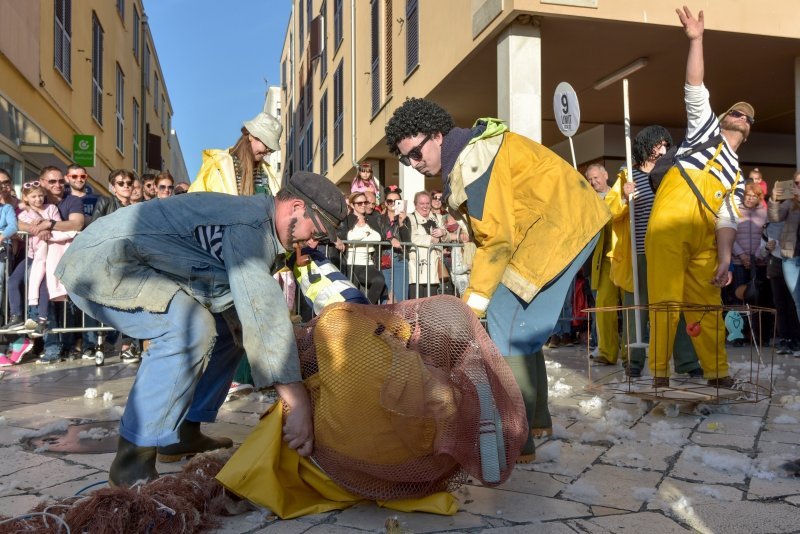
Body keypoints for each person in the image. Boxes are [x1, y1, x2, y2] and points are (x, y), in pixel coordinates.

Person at [55, 171, 347, 486]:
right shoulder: (251, 226)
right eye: (316, 232)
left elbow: (247, 314)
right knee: (189, 328)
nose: (314, 243)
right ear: (295, 207)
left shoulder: (260, 223)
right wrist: (298, 401)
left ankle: (182, 431)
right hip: (102, 264)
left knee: (228, 331)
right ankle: (131, 462)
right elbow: (263, 310)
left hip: (130, 261)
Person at [385, 98, 609, 461]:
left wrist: (472, 304)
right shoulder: (471, 154)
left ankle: (515, 436)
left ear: (437, 135)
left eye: (415, 152)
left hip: (558, 227)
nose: (414, 163)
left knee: (505, 322)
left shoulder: (474, 161)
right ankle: (535, 420)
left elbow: (497, 239)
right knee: (521, 329)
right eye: (406, 158)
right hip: (564, 223)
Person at [645, 6, 750, 388]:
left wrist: (725, 260)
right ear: (722, 118)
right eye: (736, 111)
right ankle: (659, 373)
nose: (741, 115)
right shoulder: (704, 130)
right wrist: (697, 40)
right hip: (670, 222)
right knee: (665, 302)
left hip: (706, 237)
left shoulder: (737, 174)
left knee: (708, 306)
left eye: (747, 116)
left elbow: (728, 218)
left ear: (749, 130)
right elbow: (695, 85)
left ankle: (718, 372)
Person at [189, 111, 284, 398]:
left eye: (269, 145)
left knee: (239, 333)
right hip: (218, 260)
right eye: (264, 143)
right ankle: (198, 399)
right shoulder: (218, 166)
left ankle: (226, 389)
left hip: (253, 261)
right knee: (222, 334)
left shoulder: (267, 174)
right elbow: (195, 205)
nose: (266, 150)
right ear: (249, 135)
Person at [607, 126, 703, 379]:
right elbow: (610, 212)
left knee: (675, 306)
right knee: (636, 307)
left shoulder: (672, 174)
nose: (662, 150)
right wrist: (623, 197)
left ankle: (686, 361)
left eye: (665, 145)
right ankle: (634, 360)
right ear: (645, 147)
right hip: (637, 252)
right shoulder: (628, 176)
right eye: (657, 145)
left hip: (668, 251)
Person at [17, 166, 84, 364]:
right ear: (42, 183)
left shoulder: (71, 201)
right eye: (51, 181)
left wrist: (50, 224)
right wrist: (36, 228)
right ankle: (52, 347)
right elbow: (17, 220)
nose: (57, 185)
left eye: (60, 181)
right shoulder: (35, 201)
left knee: (66, 305)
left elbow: (77, 224)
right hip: (38, 259)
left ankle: (67, 346)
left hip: (60, 259)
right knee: (46, 299)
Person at [585, 164, 624, 367]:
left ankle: (629, 354)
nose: (593, 182)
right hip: (604, 261)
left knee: (629, 306)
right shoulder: (588, 201)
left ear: (605, 175)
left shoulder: (619, 193)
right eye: (590, 180)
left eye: (596, 178)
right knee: (604, 306)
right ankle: (608, 351)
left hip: (625, 256)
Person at [189, 112, 282, 197]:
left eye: (271, 149)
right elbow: (194, 201)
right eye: (267, 145)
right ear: (252, 136)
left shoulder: (267, 173)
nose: (268, 152)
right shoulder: (217, 166)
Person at [337, 191, 386, 304]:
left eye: (365, 202)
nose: (364, 205)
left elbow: (378, 237)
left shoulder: (372, 219)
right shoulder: (347, 219)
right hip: (351, 264)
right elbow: (348, 237)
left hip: (368, 263)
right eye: (360, 203)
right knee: (351, 298)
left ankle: (366, 308)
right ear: (352, 205)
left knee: (379, 280)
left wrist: (359, 237)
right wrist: (366, 234)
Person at [406, 191, 446, 298]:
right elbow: (411, 237)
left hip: (434, 265)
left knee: (430, 303)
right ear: (415, 204)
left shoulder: (439, 218)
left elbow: (448, 237)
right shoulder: (409, 217)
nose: (425, 206)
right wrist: (431, 239)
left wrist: (443, 233)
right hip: (417, 265)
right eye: (421, 203)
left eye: (427, 203)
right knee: (416, 302)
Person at [379, 186, 410, 303]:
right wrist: (390, 240)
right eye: (389, 201)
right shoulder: (379, 219)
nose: (392, 203)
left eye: (396, 201)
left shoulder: (406, 219)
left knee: (400, 298)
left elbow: (408, 241)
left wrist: (401, 224)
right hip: (384, 258)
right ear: (386, 203)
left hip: (400, 259)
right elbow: (377, 236)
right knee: (386, 298)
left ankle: (400, 321)